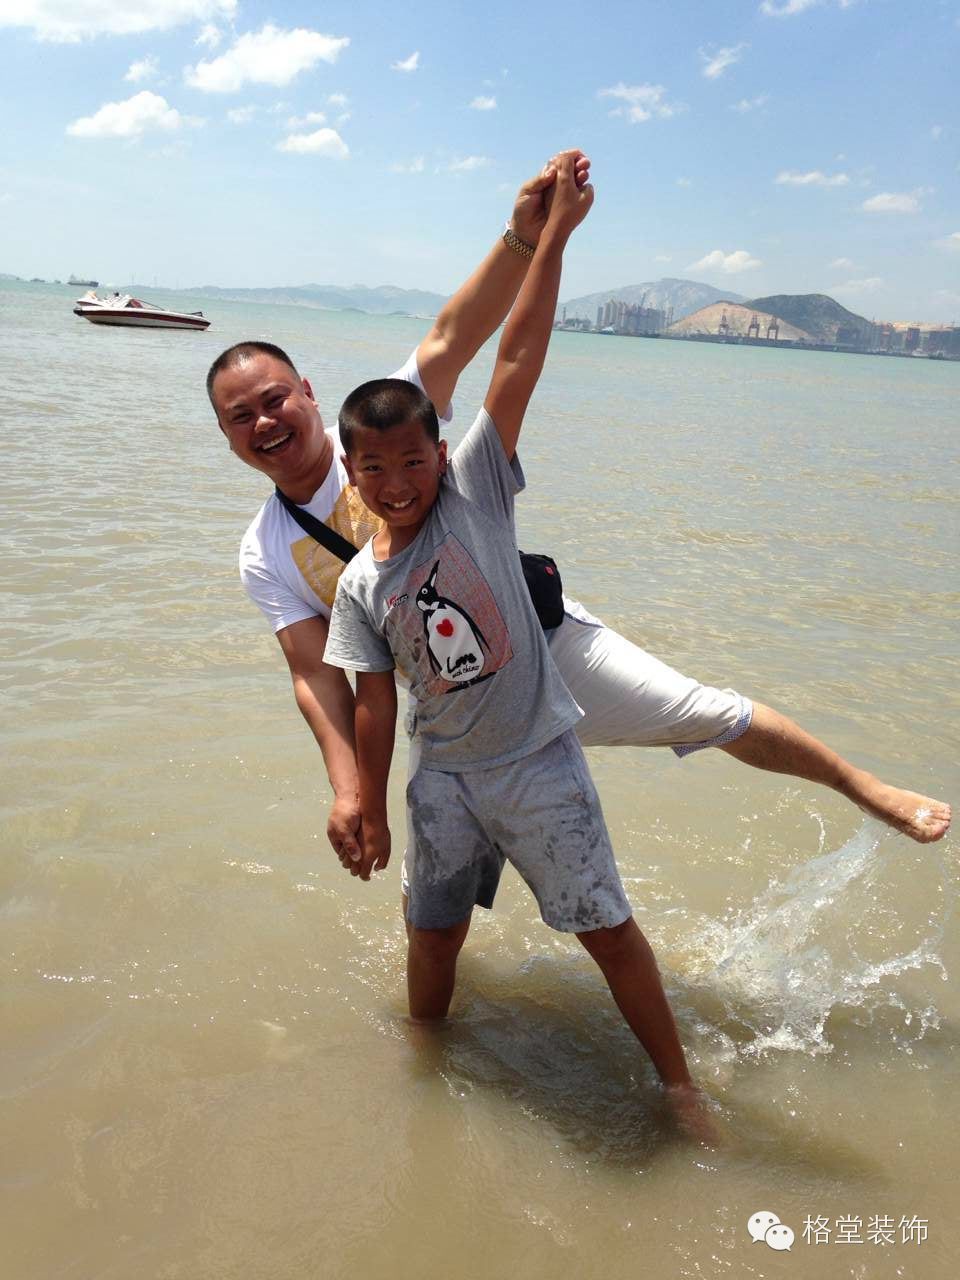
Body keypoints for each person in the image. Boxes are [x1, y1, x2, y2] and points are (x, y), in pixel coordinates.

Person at [206, 149, 950, 875]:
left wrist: (525, 235)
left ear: (308, 393)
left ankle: (862, 786)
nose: (264, 422)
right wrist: (352, 793)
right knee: (432, 910)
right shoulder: (265, 552)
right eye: (241, 417)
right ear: (226, 435)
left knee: (708, 714)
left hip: (544, 644)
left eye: (274, 400)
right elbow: (320, 677)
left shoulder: (385, 424)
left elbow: (463, 335)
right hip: (449, 711)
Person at [322, 157, 703, 1118]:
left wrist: (553, 236)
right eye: (376, 469)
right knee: (431, 933)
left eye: (414, 460)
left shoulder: (476, 493)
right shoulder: (361, 585)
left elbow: (517, 357)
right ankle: (423, 1067)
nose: (398, 483)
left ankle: (680, 1086)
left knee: (605, 930)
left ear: (439, 453)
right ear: (352, 475)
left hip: (537, 761)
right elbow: (374, 701)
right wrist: (370, 803)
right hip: (444, 779)